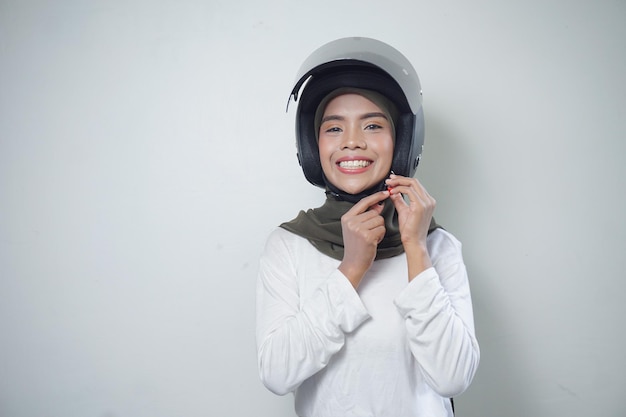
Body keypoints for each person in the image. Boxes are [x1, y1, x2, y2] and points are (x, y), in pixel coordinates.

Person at [256, 37, 479, 417]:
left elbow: (452, 378)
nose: (353, 142)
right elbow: (278, 374)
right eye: (334, 128)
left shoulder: (437, 246)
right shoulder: (289, 245)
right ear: (313, 146)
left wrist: (415, 248)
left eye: (373, 125)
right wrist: (351, 268)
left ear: (403, 141)